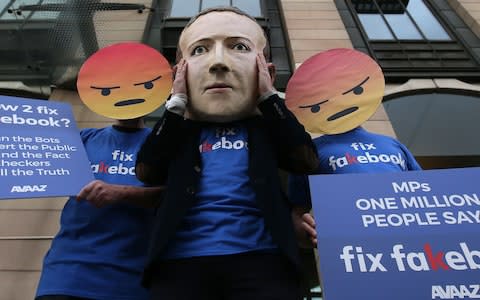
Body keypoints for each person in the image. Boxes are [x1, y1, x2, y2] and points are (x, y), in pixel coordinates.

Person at [135, 6, 318, 300]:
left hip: (263, 261)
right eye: (199, 51)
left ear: (267, 70)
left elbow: (305, 159)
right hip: (180, 263)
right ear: (179, 73)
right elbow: (147, 171)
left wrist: (269, 98)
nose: (218, 63)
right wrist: (176, 104)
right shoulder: (177, 130)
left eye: (239, 47)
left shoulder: (268, 127)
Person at [284, 48, 422, 247]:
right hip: (351, 246)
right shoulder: (309, 151)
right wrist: (303, 230)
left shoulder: (392, 143)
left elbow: (424, 191)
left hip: (410, 237)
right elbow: (298, 211)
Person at [35, 117, 164, 300]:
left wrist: (122, 193)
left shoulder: (163, 145)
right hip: (66, 276)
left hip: (131, 282)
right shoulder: (82, 139)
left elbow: (179, 196)